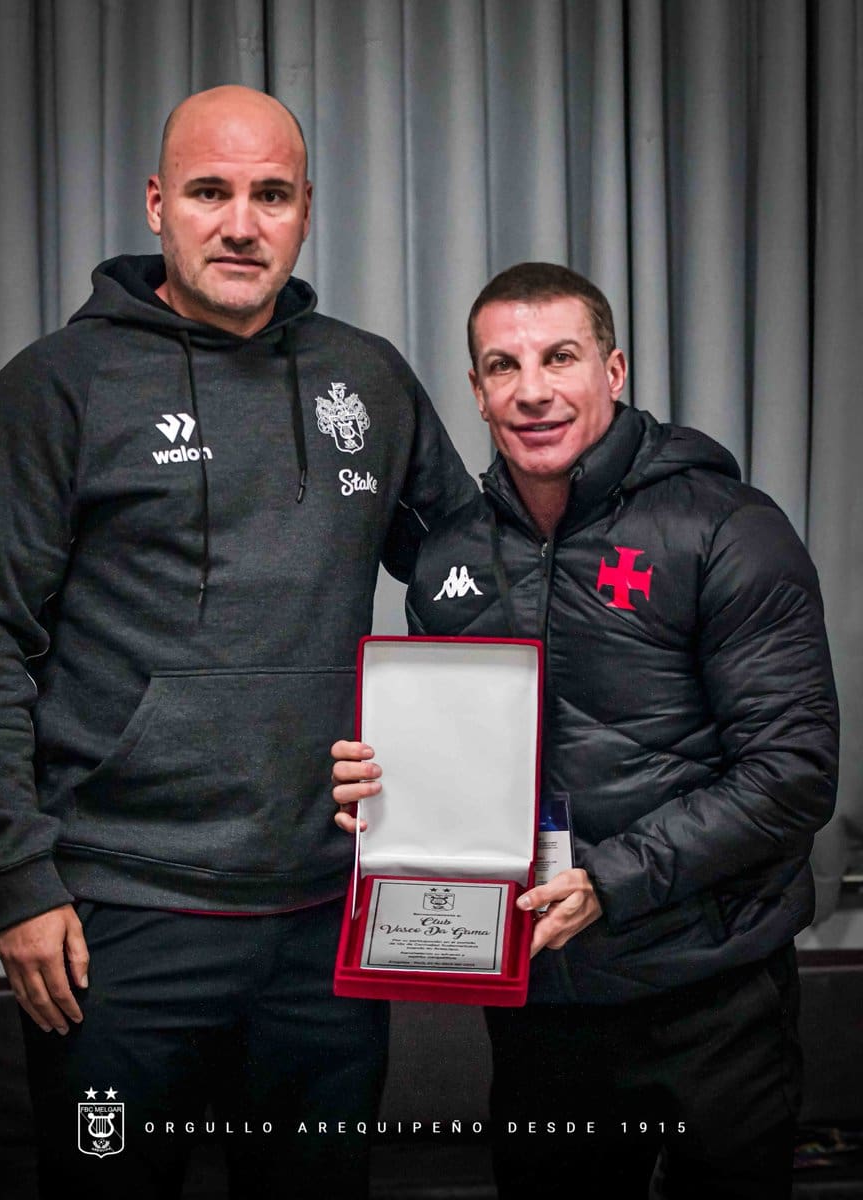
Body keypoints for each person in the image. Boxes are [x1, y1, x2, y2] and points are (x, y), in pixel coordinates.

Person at [0, 85, 476, 1200]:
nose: (240, 224)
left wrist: (431, 754)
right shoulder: (57, 388)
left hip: (323, 919)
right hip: (118, 922)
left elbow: (467, 576)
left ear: (307, 208)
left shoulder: (367, 378)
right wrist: (19, 881)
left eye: (270, 195)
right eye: (208, 192)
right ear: (156, 204)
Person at [332, 262, 839, 1199]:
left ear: (614, 370)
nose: (532, 390)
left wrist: (611, 881)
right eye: (504, 365)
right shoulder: (451, 554)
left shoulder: (726, 529)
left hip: (709, 995)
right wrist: (381, 790)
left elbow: (793, 772)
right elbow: (455, 763)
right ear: (477, 390)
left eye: (559, 357)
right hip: (542, 1004)